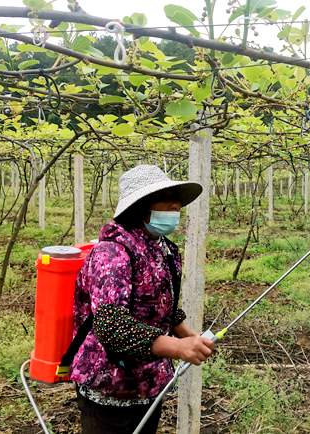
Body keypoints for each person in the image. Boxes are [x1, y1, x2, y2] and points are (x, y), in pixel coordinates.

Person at [69, 165, 215, 434]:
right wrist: (177, 348)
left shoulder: (163, 249)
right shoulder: (111, 253)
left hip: (148, 383)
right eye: (165, 196)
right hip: (110, 385)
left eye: (176, 198)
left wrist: (187, 334)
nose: (175, 204)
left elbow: (161, 303)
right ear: (140, 206)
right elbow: (112, 326)